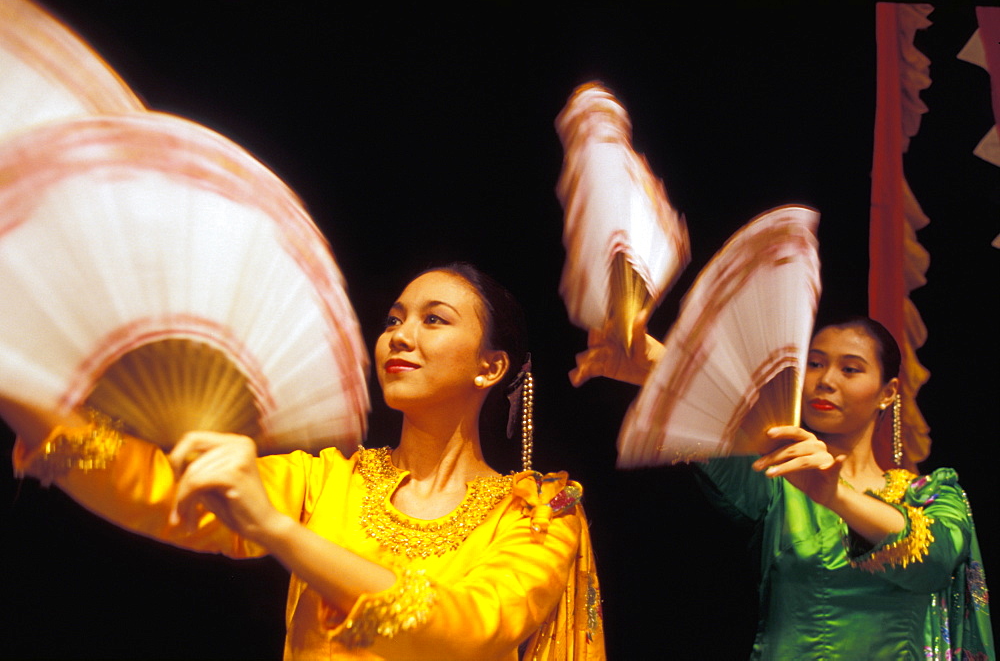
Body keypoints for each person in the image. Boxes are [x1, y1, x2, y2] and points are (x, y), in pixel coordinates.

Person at [10, 263, 606, 660]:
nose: (399, 335)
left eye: (434, 319)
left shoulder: (539, 512)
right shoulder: (323, 480)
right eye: (394, 319)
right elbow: (163, 493)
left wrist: (277, 532)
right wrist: (21, 389)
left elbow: (466, 629)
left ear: (490, 367)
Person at [572, 316, 992, 660]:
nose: (825, 380)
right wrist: (659, 364)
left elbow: (933, 560)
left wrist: (836, 495)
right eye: (814, 364)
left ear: (888, 392)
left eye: (850, 368)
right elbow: (726, 425)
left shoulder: (930, 495)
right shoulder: (779, 478)